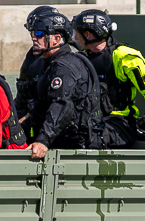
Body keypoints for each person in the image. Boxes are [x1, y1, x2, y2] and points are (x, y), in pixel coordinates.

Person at [73, 9, 145, 149]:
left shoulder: (125, 57)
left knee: (93, 137)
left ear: (88, 35)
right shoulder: (80, 58)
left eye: (78, 33)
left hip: (120, 124)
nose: (76, 38)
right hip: (89, 120)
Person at [21, 11, 103, 158]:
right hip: (61, 140)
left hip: (74, 147)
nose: (34, 38)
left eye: (39, 33)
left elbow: (62, 105)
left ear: (57, 39)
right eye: (33, 33)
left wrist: (43, 140)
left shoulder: (65, 67)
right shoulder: (51, 63)